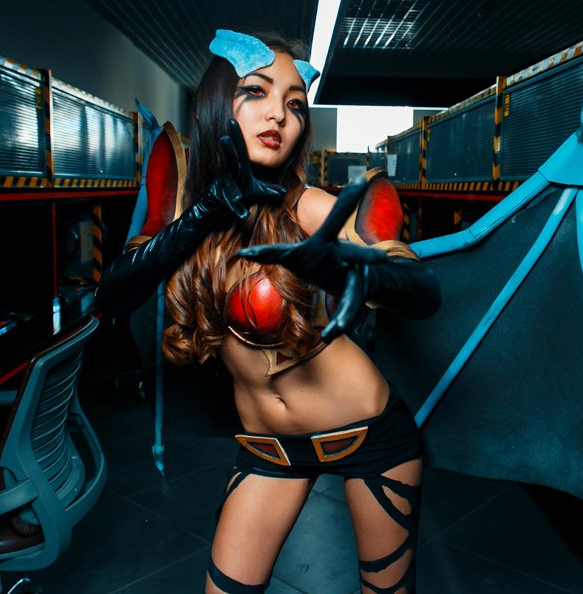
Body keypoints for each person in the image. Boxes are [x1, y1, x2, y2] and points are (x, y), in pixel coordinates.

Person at [95, 29, 440, 594]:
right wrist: (204, 214)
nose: (278, 113)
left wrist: (348, 271)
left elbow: (423, 291)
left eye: (295, 104)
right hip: (268, 450)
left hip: (369, 434)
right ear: (217, 103)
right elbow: (110, 299)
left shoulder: (308, 207)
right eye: (256, 92)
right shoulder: (187, 212)